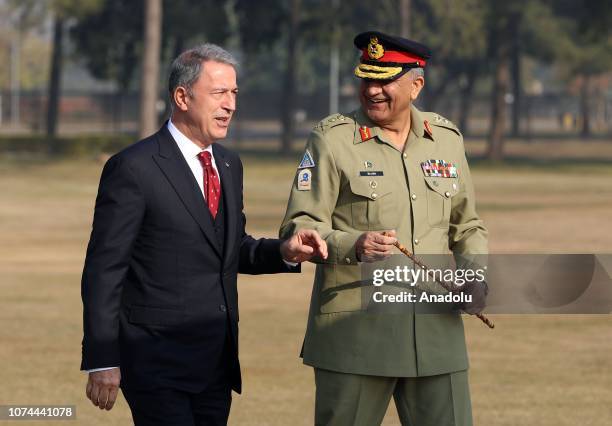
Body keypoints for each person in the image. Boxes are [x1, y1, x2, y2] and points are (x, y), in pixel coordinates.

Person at [81, 43, 328, 426]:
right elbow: (104, 271)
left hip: (216, 364)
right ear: (181, 96)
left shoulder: (229, 164)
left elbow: (230, 248)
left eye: (234, 94)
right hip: (154, 363)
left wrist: (283, 251)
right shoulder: (133, 168)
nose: (230, 105)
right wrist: (102, 358)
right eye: (219, 93)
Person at [280, 31, 488, 426]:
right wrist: (353, 244)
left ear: (416, 85)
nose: (372, 90)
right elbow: (300, 224)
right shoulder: (332, 139)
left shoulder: (445, 140)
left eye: (384, 79)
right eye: (366, 79)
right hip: (355, 338)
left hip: (435, 335)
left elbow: (468, 225)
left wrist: (475, 276)